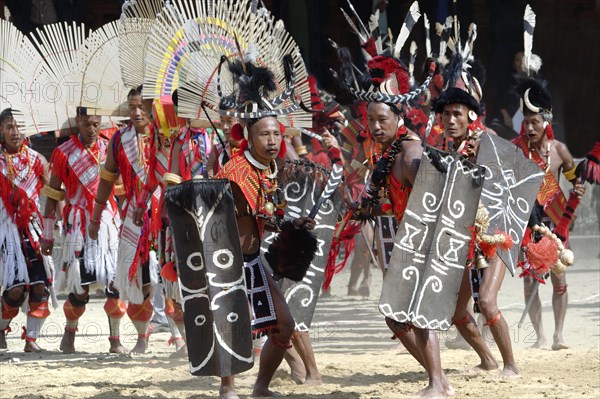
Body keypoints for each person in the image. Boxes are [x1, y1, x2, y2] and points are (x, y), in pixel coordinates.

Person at [40, 108, 124, 353]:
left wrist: (106, 186)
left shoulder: (110, 147)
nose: (92, 129)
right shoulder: (63, 153)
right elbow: (53, 193)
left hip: (108, 222)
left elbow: (120, 187)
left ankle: (115, 340)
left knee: (115, 284)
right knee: (80, 289)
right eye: (87, 124)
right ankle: (69, 333)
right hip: (78, 224)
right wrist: (47, 233)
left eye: (96, 124)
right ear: (78, 121)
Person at [512, 78, 585, 350]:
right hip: (526, 225)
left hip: (555, 225)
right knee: (530, 282)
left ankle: (558, 336)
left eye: (535, 122)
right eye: (526, 121)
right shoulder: (515, 150)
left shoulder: (559, 151)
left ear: (547, 121)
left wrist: (578, 184)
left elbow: (573, 176)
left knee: (559, 279)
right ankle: (540, 336)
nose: (530, 127)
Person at [88, 86, 158, 354]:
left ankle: (186, 339)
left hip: (162, 213)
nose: (137, 112)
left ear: (152, 107)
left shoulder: (164, 137)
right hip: (133, 217)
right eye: (132, 107)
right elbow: (107, 179)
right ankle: (142, 339)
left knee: (169, 273)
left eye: (142, 106)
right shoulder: (119, 139)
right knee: (136, 276)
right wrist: (96, 218)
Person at [0, 108, 50, 352]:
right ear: (1, 130)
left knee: (40, 285)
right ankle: (1, 328)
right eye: (9, 127)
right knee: (16, 289)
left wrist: (52, 226)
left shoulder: (37, 160)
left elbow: (53, 194)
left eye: (19, 127)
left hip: (33, 229)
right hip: (5, 231)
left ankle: (31, 340)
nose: (15, 132)